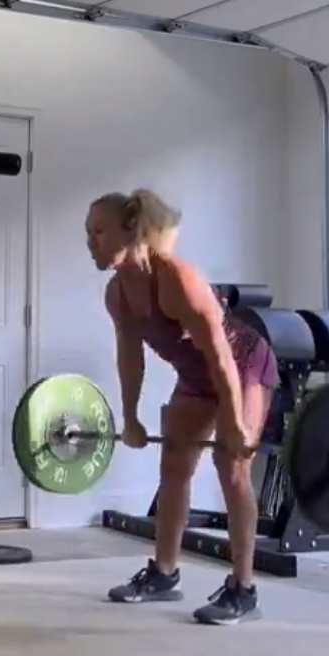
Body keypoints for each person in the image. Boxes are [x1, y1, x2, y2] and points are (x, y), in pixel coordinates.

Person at [85, 189, 279, 625]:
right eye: (87, 233)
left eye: (98, 231)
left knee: (232, 471)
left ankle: (244, 589)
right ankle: (163, 573)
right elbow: (130, 356)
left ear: (131, 231)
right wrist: (130, 415)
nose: (90, 241)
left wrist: (232, 421)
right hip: (197, 377)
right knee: (174, 466)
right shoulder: (117, 294)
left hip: (242, 368)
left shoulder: (175, 280)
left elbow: (221, 357)